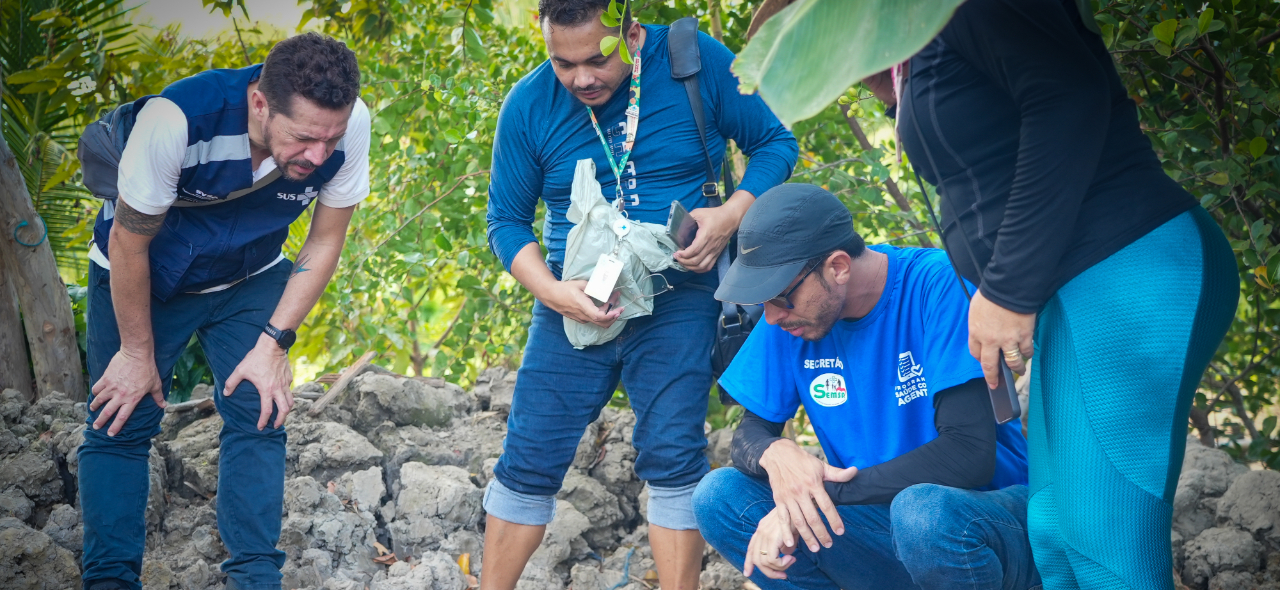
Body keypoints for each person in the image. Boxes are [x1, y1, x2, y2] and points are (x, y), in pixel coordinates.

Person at [884, 0, 1241, 587]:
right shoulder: (922, 37)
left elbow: (1066, 95)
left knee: (1104, 541)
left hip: (1124, 268)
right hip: (1073, 295)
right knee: (1054, 532)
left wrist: (1005, 290)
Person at [483, 0, 798, 587]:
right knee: (528, 458)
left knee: (675, 456)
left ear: (631, 33)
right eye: (562, 62)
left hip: (678, 295)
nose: (581, 78)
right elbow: (504, 220)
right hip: (571, 306)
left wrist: (728, 216)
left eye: (597, 59)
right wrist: (553, 293)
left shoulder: (693, 62)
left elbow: (777, 144)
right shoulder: (529, 104)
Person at [78, 33, 370, 590]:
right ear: (260, 103)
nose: (318, 155)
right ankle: (111, 579)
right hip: (147, 277)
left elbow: (325, 241)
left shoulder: (349, 123)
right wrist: (136, 353)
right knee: (121, 416)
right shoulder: (177, 121)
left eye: (330, 140)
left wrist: (273, 344)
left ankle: (255, 576)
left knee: (262, 408)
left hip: (250, 273)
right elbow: (129, 243)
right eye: (304, 138)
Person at [691, 183, 1040, 589]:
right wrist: (775, 452)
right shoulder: (792, 315)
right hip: (881, 525)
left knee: (922, 513)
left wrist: (812, 497)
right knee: (719, 497)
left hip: (981, 521)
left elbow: (968, 454)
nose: (770, 318)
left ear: (838, 266)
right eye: (761, 302)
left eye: (779, 298)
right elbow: (748, 433)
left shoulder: (937, 284)